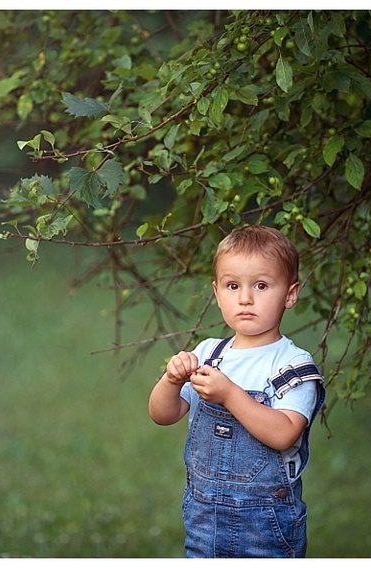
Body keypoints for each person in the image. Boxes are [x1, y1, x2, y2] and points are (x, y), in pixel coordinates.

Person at [148, 224, 325, 558]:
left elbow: (285, 433)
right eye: (233, 286)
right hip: (203, 519)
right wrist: (170, 381)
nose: (245, 298)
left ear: (290, 293)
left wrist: (230, 394)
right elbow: (162, 415)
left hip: (266, 526)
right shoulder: (209, 353)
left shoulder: (291, 365)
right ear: (217, 294)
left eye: (261, 285)